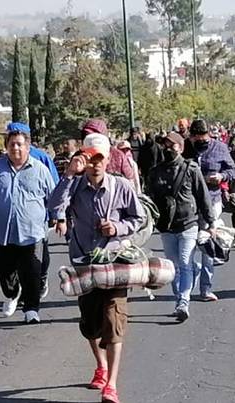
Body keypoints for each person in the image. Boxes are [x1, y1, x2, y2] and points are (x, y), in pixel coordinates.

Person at [49, 132, 144, 403]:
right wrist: (68, 174)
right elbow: (54, 206)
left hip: (115, 264)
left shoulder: (122, 186)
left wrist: (117, 227)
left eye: (100, 158)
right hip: (84, 263)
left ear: (108, 159)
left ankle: (111, 385)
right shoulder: (75, 185)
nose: (95, 164)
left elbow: (137, 218)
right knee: (90, 325)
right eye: (90, 158)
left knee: (114, 322)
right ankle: (100, 366)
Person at [0, 123, 56, 324]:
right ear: (6, 146)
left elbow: (54, 197)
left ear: (28, 147)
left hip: (32, 232)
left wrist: (59, 218)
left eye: (19, 144)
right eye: (12, 144)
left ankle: (31, 309)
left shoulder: (40, 170)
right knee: (4, 270)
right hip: (3, 233)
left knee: (32, 271)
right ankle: (12, 293)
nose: (15, 148)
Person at [147, 131, 215, 322]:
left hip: (188, 224)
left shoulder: (191, 169)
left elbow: (203, 197)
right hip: (167, 227)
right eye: (165, 145)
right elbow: (149, 200)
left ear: (180, 147)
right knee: (174, 266)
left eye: (172, 145)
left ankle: (183, 302)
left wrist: (210, 222)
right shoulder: (155, 172)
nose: (167, 148)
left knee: (184, 263)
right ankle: (180, 297)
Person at [182, 119, 235, 302]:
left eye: (203, 137)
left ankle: (205, 288)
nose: (200, 141)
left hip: (211, 201)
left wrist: (221, 176)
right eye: (196, 137)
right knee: (187, 244)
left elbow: (232, 170)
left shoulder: (220, 148)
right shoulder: (184, 148)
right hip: (188, 203)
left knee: (206, 243)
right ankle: (189, 279)